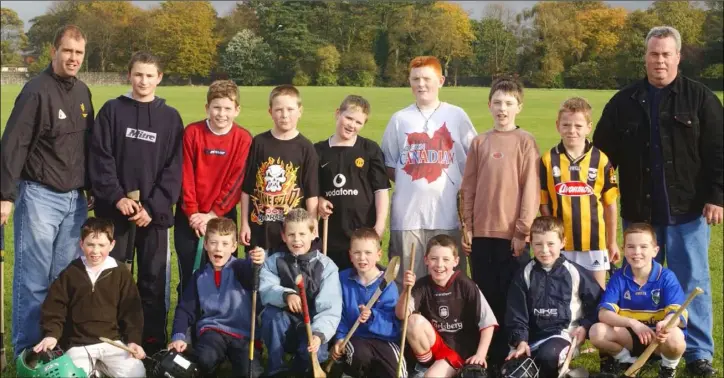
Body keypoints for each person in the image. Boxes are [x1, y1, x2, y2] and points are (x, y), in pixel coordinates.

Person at [592, 25, 722, 376]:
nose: (659, 60)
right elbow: (601, 157)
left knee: (693, 279)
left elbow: (718, 153)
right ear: (645, 57)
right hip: (640, 215)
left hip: (689, 211)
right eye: (653, 54)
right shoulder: (624, 102)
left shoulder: (701, 99)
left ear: (678, 57)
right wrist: (593, 196)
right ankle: (635, 342)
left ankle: (697, 353)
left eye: (666, 54)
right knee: (637, 280)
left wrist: (717, 196)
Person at [0, 24, 94, 357]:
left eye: (79, 53)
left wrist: (91, 190)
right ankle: (26, 349)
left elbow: (87, 146)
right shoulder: (36, 90)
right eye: (67, 51)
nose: (73, 58)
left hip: (74, 202)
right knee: (33, 280)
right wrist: (5, 195)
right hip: (40, 196)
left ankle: (54, 343)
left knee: (63, 279)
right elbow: (14, 143)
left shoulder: (83, 92)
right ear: (54, 51)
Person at [89, 51, 184, 355]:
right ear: (128, 76)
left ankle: (151, 342)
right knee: (111, 278)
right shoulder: (112, 111)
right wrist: (117, 197)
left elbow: (174, 168)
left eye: (149, 75)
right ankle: (109, 339)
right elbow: (100, 158)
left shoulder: (170, 118)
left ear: (159, 78)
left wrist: (152, 208)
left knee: (153, 280)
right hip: (114, 214)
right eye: (138, 74)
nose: (143, 81)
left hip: (151, 217)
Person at [460, 76, 539, 368]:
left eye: (508, 103)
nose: (502, 109)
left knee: (512, 297)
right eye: (497, 103)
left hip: (512, 237)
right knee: (485, 296)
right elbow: (468, 188)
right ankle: (487, 357)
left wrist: (522, 231)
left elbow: (530, 190)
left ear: (519, 106)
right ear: (489, 105)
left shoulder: (525, 142)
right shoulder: (480, 142)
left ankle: (513, 353)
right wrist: (467, 226)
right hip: (481, 235)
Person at [381, 56, 477, 291]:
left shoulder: (457, 115)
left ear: (441, 81)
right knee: (407, 283)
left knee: (449, 283)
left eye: (427, 79)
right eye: (415, 79)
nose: (421, 84)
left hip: (448, 217)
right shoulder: (399, 119)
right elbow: (388, 164)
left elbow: (474, 160)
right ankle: (408, 326)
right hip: (407, 217)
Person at [32, 217, 146, 377]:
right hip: (78, 344)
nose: (95, 251)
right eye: (90, 244)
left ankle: (98, 369)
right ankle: (93, 370)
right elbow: (55, 308)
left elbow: (131, 311)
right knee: (68, 375)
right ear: (81, 244)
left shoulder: (120, 273)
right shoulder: (71, 273)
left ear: (112, 245)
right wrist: (52, 334)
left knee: (137, 373)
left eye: (102, 245)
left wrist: (133, 340)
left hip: (112, 342)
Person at [175, 79, 252, 294]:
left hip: (222, 217)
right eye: (216, 107)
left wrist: (212, 215)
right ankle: (187, 324)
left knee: (225, 275)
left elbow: (236, 182)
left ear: (237, 110)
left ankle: (223, 323)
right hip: (189, 218)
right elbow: (185, 175)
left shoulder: (243, 139)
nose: (221, 114)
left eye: (227, 108)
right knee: (190, 275)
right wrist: (193, 213)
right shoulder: (192, 133)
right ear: (207, 108)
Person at [505, 216, 602, 378]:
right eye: (538, 244)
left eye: (550, 244)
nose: (544, 250)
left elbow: (598, 302)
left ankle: (560, 369)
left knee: (548, 357)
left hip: (562, 334)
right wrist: (520, 340)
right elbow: (516, 313)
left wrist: (585, 326)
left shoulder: (574, 272)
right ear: (530, 243)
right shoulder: (524, 274)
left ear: (562, 243)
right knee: (515, 371)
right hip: (530, 338)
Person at [169, 218, 265, 377]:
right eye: (213, 242)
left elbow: (250, 272)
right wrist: (178, 336)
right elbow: (185, 309)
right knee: (204, 360)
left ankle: (232, 359)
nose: (218, 248)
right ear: (205, 244)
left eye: (225, 244)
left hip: (243, 335)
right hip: (213, 331)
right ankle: (212, 359)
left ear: (234, 247)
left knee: (252, 373)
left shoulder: (240, 268)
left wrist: (256, 261)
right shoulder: (199, 276)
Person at [540, 97, 620, 288]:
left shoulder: (600, 160)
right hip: (562, 244)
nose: (572, 131)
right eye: (566, 125)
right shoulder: (548, 160)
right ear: (558, 126)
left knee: (597, 294)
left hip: (595, 242)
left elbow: (610, 205)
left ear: (589, 127)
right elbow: (544, 204)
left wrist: (612, 241)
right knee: (563, 295)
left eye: (578, 125)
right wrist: (553, 236)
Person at [590, 223, 688, 378]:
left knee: (675, 336)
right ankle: (627, 361)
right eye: (630, 247)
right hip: (630, 338)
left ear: (655, 251)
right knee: (597, 331)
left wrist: (666, 323)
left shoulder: (666, 277)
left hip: (658, 340)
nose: (637, 252)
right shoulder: (619, 277)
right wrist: (633, 324)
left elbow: (678, 314)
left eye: (643, 247)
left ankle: (668, 368)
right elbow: (604, 314)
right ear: (624, 250)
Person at [396, 234, 497, 378]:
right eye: (434, 259)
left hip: (458, 350)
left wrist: (480, 355)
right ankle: (424, 366)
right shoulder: (422, 285)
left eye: (446, 259)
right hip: (435, 345)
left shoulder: (466, 285)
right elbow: (402, 315)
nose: (439, 265)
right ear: (426, 260)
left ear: (455, 261)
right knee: (413, 321)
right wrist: (406, 290)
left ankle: (442, 371)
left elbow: (488, 323)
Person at [258, 208, 342, 377]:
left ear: (313, 234)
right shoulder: (274, 261)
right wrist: (286, 295)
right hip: (284, 324)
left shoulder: (326, 266)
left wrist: (318, 335)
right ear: (283, 236)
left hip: (312, 327)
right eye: (291, 235)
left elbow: (330, 309)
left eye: (302, 234)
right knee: (270, 315)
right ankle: (276, 368)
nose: (297, 240)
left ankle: (300, 365)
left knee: (312, 356)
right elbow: (266, 289)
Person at [239, 85, 319, 252]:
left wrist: (312, 224)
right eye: (279, 110)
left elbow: (311, 193)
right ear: (270, 112)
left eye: (290, 109)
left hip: (292, 235)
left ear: (300, 111)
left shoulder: (306, 147)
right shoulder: (259, 143)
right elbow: (247, 188)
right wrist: (245, 224)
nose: (284, 115)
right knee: (258, 276)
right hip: (260, 230)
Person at [316, 95, 390, 271]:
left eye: (358, 122)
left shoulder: (370, 149)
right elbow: (311, 189)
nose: (352, 125)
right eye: (348, 118)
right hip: (331, 235)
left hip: (363, 235)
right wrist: (319, 200)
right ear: (337, 114)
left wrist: (379, 226)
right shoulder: (318, 151)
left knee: (362, 282)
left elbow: (381, 190)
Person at [328, 228, 402, 377]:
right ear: (350, 255)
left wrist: (372, 316)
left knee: (396, 373)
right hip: (356, 339)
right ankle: (349, 372)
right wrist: (340, 338)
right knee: (357, 354)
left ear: (378, 255)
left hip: (385, 341)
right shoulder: (342, 280)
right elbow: (338, 313)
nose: (362, 258)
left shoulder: (388, 284)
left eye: (368, 253)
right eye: (357, 253)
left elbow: (393, 325)